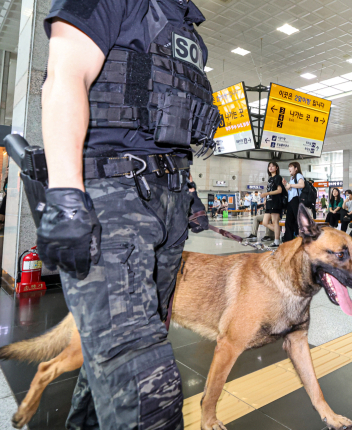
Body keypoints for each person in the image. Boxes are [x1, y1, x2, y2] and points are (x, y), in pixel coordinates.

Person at [36, 0, 218, 426]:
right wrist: (65, 194)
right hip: (112, 197)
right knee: (146, 387)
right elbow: (65, 76)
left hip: (166, 202)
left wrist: (182, 191)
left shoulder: (186, 26)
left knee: (116, 362)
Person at [261, 162, 284, 247]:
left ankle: (277, 241)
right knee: (265, 222)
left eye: (272, 166)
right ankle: (279, 233)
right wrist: (266, 200)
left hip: (276, 202)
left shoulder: (278, 177)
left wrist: (267, 193)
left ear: (276, 168)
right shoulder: (270, 179)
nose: (270, 168)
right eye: (269, 166)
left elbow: (279, 190)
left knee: (275, 222)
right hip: (269, 202)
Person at [283, 162, 305, 242]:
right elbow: (290, 190)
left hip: (296, 200)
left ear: (296, 168)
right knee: (289, 221)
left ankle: (300, 238)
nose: (289, 168)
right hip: (291, 201)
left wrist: (290, 185)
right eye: (289, 167)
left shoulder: (298, 175)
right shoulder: (292, 178)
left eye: (291, 167)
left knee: (297, 221)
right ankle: (288, 240)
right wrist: (286, 185)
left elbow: (302, 185)